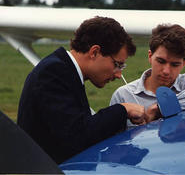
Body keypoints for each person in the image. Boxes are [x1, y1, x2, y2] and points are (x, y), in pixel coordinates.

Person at [17, 16, 157, 164]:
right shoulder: (53, 73)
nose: (118, 74)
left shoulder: (64, 70)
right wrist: (123, 109)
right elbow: (78, 137)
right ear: (94, 52)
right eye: (117, 64)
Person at [110, 24, 185, 128]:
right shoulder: (123, 95)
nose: (166, 71)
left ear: (184, 63)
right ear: (150, 56)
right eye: (161, 61)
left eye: (175, 64)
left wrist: (160, 108)